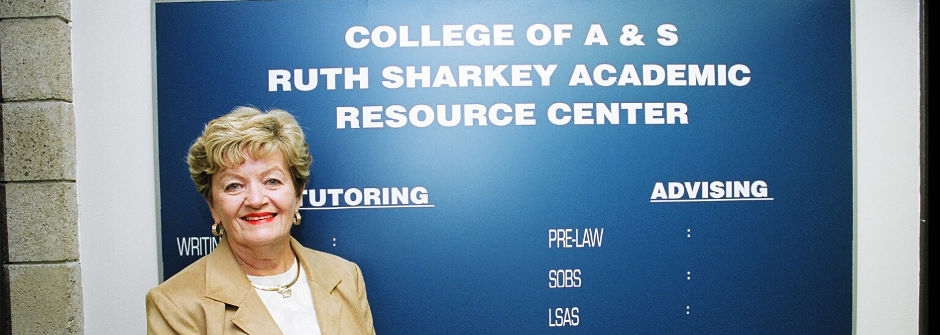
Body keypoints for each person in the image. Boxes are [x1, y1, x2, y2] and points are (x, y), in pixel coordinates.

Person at [146, 106, 375, 334]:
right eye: (234, 185)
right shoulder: (174, 304)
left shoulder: (345, 276)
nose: (255, 200)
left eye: (272, 181)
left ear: (297, 194)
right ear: (213, 205)